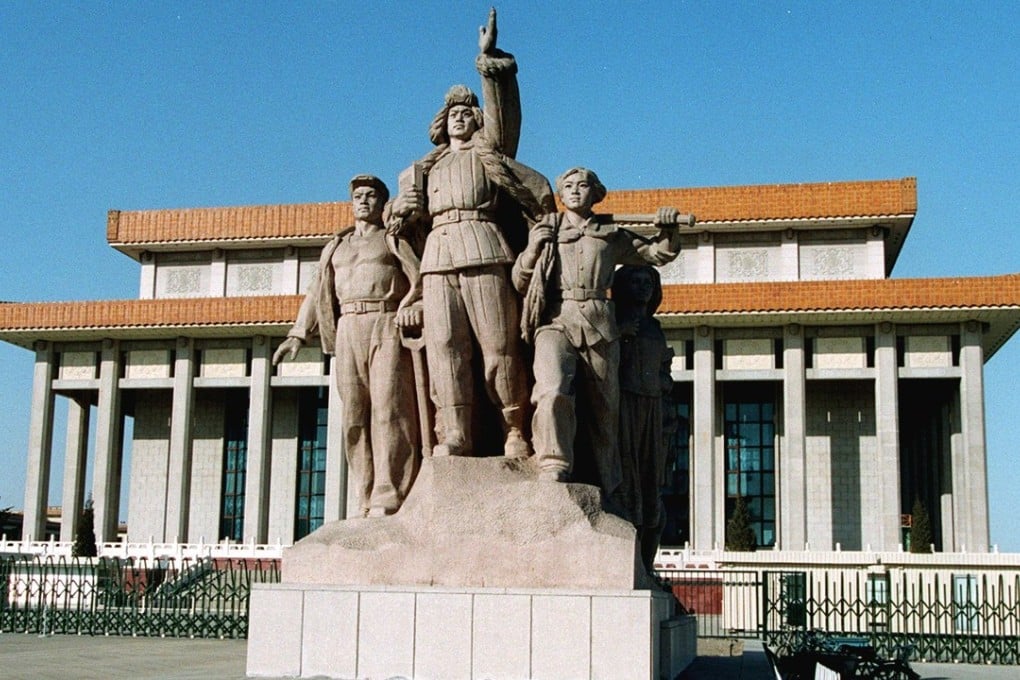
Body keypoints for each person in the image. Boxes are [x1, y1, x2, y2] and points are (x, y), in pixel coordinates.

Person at [388, 9, 553, 458]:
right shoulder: (422, 170)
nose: (459, 118)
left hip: (484, 248)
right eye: (453, 114)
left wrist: (489, 60)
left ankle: (514, 427)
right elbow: (399, 226)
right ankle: (455, 431)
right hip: (438, 259)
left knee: (498, 345)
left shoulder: (490, 154)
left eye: (467, 113)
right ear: (441, 123)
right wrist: (400, 212)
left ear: (477, 120)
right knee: (446, 349)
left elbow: (503, 112)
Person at [512, 167, 682, 500]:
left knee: (605, 407)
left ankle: (607, 483)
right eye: (568, 186)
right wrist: (533, 248)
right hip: (556, 319)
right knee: (552, 389)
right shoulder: (548, 229)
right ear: (561, 194)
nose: (575, 190)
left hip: (600, 323)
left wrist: (668, 228)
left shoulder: (611, 234)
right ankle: (553, 462)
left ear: (596, 193)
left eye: (582, 185)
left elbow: (656, 254)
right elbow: (520, 281)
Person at [274, 175, 422, 518]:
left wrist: (414, 305)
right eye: (358, 196)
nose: (364, 201)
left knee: (389, 409)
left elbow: (420, 278)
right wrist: (298, 334)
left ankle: (390, 492)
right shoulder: (336, 247)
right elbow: (317, 291)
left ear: (382, 203)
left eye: (371, 195)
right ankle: (365, 494)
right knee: (354, 415)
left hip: (385, 322)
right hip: (347, 328)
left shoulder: (392, 239)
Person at [613, 265, 675, 572]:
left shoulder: (655, 328)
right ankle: (627, 565)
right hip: (625, 406)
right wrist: (617, 334)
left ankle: (646, 568)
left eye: (648, 282)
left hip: (654, 411)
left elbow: (664, 372)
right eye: (635, 282)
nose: (643, 287)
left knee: (653, 489)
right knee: (628, 482)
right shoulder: (615, 323)